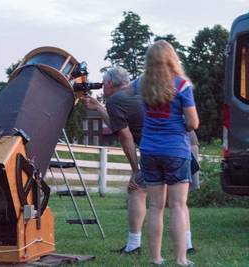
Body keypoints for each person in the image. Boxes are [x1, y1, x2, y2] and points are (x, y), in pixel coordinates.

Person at [81, 66, 199, 257]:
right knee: (178, 200)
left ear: (110, 84)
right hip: (186, 142)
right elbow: (120, 123)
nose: (102, 88)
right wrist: (98, 108)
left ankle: (134, 245)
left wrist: (135, 170)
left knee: (137, 190)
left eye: (103, 84)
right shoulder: (142, 89)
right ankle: (187, 245)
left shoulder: (116, 100)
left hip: (160, 146)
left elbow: (125, 136)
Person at [134, 40, 199, 266]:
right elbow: (193, 123)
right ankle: (181, 259)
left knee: (155, 206)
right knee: (178, 206)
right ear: (172, 58)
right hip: (175, 151)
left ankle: (156, 258)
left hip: (149, 150)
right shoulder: (181, 85)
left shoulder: (141, 84)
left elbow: (123, 92)